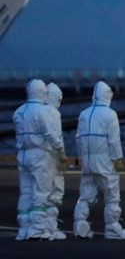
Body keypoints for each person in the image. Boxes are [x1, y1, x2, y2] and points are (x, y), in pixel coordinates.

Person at [73, 80, 125, 240]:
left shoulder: (84, 114)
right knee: (112, 194)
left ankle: (80, 224)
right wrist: (118, 158)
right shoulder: (110, 114)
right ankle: (112, 227)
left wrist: (82, 157)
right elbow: (113, 140)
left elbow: (78, 139)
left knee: (85, 193)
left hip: (87, 160)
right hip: (104, 160)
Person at [14, 79, 67, 241]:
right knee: (41, 192)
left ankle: (24, 228)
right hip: (40, 155)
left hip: (23, 154)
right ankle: (37, 230)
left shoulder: (19, 112)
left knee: (26, 193)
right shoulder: (43, 111)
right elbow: (50, 134)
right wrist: (60, 151)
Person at [45, 82, 67, 240]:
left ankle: (33, 227)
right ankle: (49, 227)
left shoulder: (33, 111)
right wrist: (62, 156)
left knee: (34, 193)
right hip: (50, 157)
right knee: (53, 191)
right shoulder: (53, 113)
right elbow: (56, 138)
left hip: (34, 157)